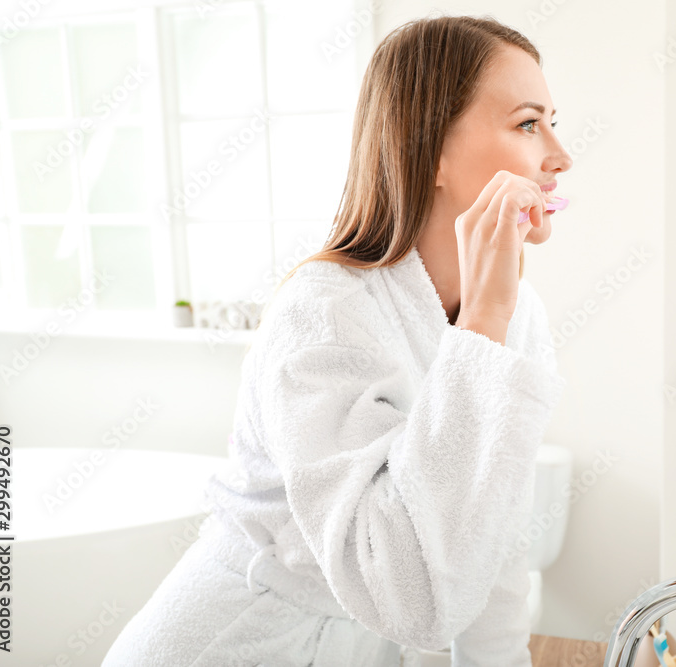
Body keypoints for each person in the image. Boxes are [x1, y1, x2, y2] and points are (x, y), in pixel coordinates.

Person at [103, 12, 572, 667]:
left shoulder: (517, 316)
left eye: (555, 122)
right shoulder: (324, 311)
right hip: (235, 642)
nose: (560, 156)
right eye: (528, 123)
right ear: (433, 146)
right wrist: (484, 325)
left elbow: (494, 532)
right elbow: (402, 593)